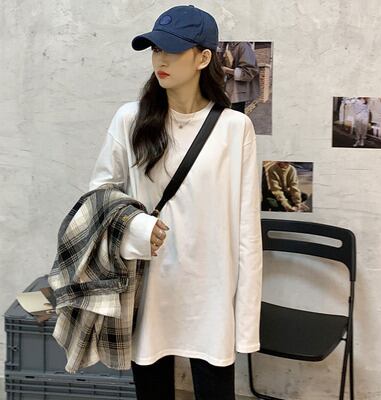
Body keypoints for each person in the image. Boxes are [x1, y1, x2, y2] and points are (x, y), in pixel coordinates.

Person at [88, 5, 263, 400]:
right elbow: (99, 195)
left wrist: (246, 320)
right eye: (155, 49)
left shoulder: (235, 128)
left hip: (211, 292)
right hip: (149, 287)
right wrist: (137, 227)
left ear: (203, 58)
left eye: (172, 50)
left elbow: (247, 229)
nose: (160, 60)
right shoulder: (131, 119)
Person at [220, 41, 260, 113]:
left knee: (236, 117)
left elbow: (249, 72)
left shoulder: (243, 45)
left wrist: (226, 70)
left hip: (237, 94)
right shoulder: (226, 45)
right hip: (227, 92)